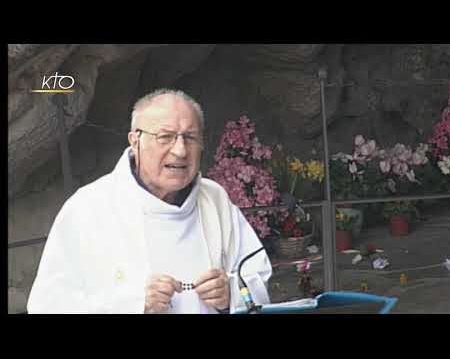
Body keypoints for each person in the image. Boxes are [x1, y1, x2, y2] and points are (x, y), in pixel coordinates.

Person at [27, 89, 272, 314]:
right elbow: (48, 305)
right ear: (135, 141)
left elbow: (257, 276)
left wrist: (232, 292)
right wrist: (133, 305)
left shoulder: (215, 199)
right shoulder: (88, 208)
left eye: (190, 137)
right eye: (165, 136)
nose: (180, 150)